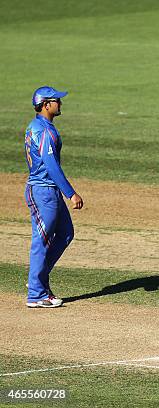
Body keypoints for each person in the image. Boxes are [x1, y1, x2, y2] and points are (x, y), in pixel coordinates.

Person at [24, 86, 83, 308]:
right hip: (43, 191)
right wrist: (71, 193)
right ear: (46, 105)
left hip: (48, 190)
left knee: (65, 233)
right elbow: (51, 166)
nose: (60, 103)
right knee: (42, 240)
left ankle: (37, 281)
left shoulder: (38, 126)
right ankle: (36, 294)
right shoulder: (44, 131)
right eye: (56, 100)